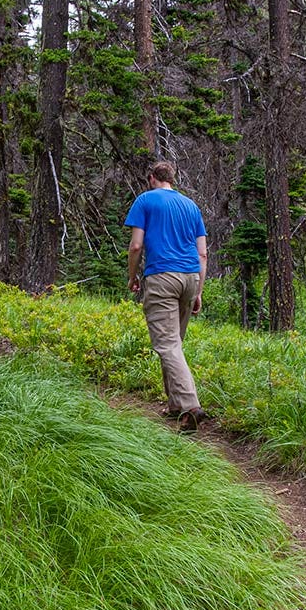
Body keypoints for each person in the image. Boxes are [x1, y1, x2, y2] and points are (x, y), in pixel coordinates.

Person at [125, 160, 209, 433]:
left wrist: (132, 276)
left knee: (167, 345)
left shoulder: (145, 201)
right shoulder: (191, 206)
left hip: (161, 276)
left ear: (152, 178)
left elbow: (136, 245)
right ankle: (175, 405)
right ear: (172, 179)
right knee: (175, 343)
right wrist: (198, 291)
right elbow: (203, 253)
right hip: (190, 277)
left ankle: (190, 406)